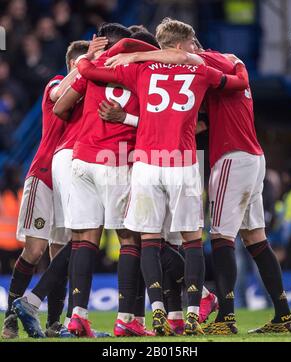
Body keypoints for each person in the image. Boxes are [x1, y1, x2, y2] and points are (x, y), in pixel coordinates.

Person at [106, 24, 291, 334]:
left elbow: (181, 56)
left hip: (230, 157)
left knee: (221, 238)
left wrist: (138, 56)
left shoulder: (206, 59)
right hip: (252, 157)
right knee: (255, 238)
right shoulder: (229, 63)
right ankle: (283, 316)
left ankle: (226, 316)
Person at [76, 18, 249, 336]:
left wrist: (91, 54)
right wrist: (240, 68)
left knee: (150, 241)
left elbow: (88, 72)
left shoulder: (139, 70)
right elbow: (235, 84)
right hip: (182, 162)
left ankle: (156, 309)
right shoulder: (198, 69)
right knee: (192, 241)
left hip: (146, 163)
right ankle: (193, 312)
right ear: (183, 44)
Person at [53, 23, 154, 338]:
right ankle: (126, 318)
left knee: (84, 238)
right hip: (116, 161)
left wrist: (88, 64)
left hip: (81, 160)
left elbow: (59, 106)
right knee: (129, 238)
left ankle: (77, 317)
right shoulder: (142, 69)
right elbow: (156, 121)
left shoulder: (92, 67)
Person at [1, 41, 89, 340]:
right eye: (78, 62)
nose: (83, 67)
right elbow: (56, 93)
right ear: (69, 64)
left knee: (60, 253)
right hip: (44, 176)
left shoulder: (91, 95)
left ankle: (54, 324)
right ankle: (10, 319)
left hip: (72, 181)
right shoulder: (56, 84)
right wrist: (87, 62)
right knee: (34, 250)